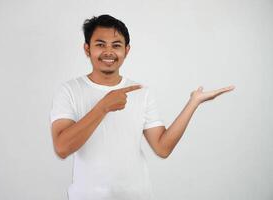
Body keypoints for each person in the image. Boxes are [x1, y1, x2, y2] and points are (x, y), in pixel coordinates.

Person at [49, 14, 235, 200]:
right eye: (100, 44)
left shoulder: (141, 91)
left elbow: (163, 148)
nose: (108, 51)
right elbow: (62, 148)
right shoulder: (69, 90)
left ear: (127, 50)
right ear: (87, 49)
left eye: (116, 45)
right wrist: (103, 107)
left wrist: (193, 103)